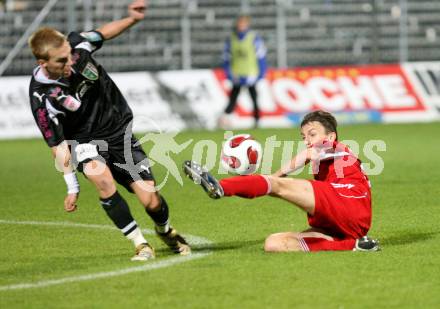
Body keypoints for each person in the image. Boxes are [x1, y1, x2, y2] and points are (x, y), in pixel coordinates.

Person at [28, 0, 190, 261]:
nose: (70, 62)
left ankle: (165, 231)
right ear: (42, 62)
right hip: (83, 140)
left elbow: (103, 33)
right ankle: (140, 243)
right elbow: (57, 146)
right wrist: (72, 185)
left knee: (151, 201)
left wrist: (133, 19)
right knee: (103, 181)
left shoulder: (78, 45)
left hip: (117, 131)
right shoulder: (42, 97)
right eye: (61, 61)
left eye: (69, 54)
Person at [184, 110, 380, 252]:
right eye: (304, 136)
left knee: (276, 185)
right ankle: (355, 245)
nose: (307, 140)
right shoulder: (327, 164)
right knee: (274, 243)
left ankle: (221, 187)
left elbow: (308, 154)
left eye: (312, 134)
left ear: (331, 136)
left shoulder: (338, 147)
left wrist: (273, 178)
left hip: (347, 201)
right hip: (345, 223)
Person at [220, 15, 267, 128]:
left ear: (247, 25)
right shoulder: (231, 39)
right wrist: (228, 73)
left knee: (254, 98)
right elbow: (226, 57)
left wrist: (261, 72)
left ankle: (257, 121)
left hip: (250, 73)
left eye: (243, 24)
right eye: (240, 24)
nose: (241, 26)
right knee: (233, 98)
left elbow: (261, 55)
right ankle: (225, 119)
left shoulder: (254, 38)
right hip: (237, 73)